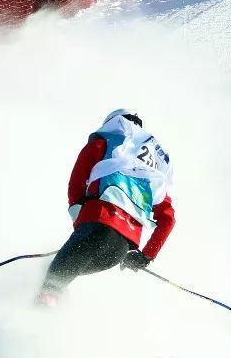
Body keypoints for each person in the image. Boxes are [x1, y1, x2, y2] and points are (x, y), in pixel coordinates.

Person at [36, 109, 176, 308]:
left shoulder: (104, 142)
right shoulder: (153, 173)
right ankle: (50, 305)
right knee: (59, 279)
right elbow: (168, 219)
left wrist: (79, 217)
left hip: (97, 225)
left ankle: (41, 308)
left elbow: (77, 182)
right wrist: (146, 256)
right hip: (119, 250)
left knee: (51, 284)